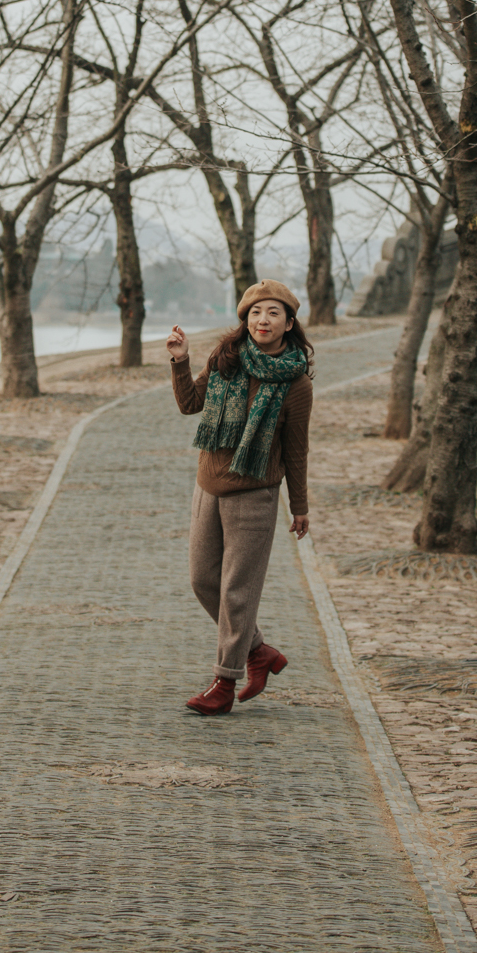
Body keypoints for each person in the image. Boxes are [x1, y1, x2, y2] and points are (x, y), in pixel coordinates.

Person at [167, 280, 313, 716]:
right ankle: (260, 652)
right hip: (208, 484)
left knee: (237, 593)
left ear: (288, 323)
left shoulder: (296, 384)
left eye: (272, 313)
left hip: (255, 493)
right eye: (254, 313)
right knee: (202, 580)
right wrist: (180, 361)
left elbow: (295, 449)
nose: (262, 321)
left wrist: (299, 504)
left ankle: (223, 684)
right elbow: (191, 404)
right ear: (245, 320)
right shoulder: (226, 359)